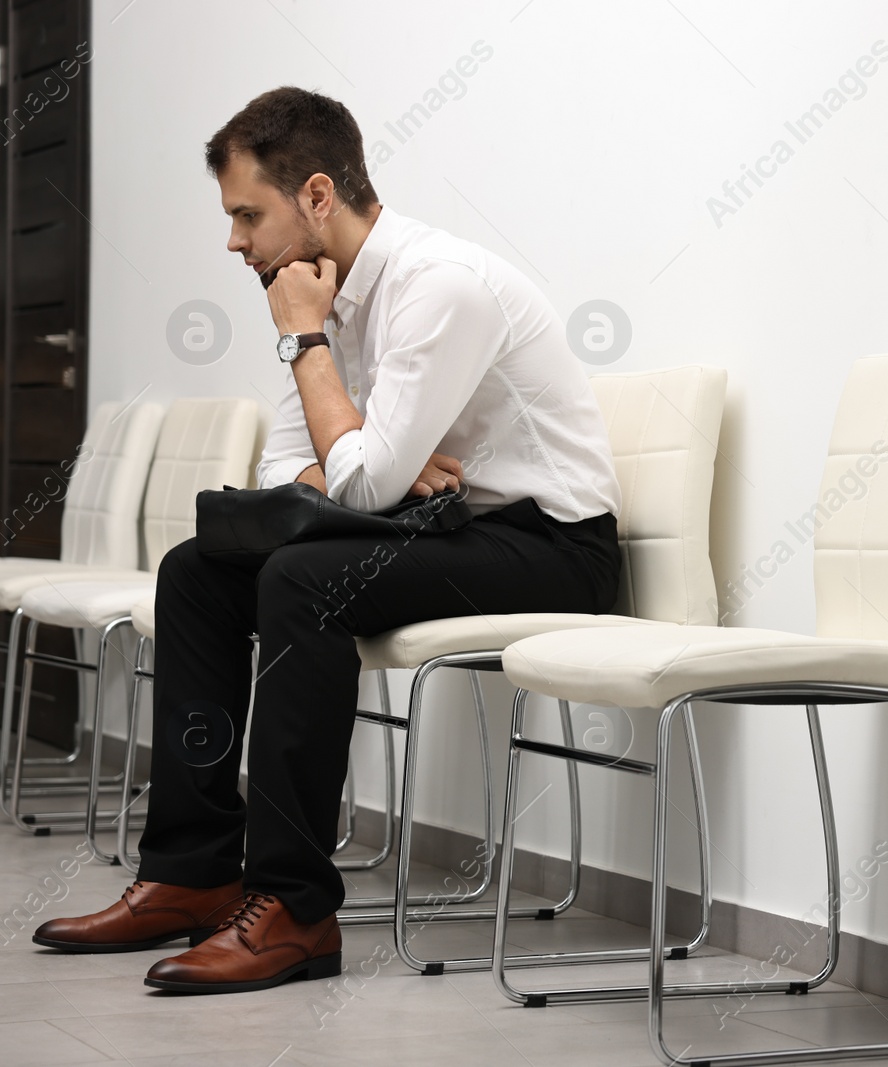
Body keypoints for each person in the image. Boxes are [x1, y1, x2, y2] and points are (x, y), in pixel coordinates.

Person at [31, 86, 622, 993]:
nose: (235, 242)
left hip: (550, 546)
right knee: (197, 570)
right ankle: (194, 870)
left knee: (303, 579)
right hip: (436, 531)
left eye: (246, 215)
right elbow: (287, 478)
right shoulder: (326, 296)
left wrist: (315, 362)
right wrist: (368, 457)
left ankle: (295, 910)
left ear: (315, 195)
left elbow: (357, 483)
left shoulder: (435, 285)